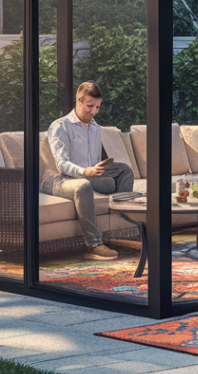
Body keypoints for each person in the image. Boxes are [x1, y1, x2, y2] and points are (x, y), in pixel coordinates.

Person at [45, 81, 135, 261]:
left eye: (97, 107)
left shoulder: (95, 128)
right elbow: (62, 164)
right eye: (89, 106)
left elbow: (93, 162)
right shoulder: (60, 126)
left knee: (124, 171)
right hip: (59, 179)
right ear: (78, 101)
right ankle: (94, 243)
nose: (93, 112)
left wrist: (97, 169)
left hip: (88, 174)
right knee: (83, 186)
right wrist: (86, 172)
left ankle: (122, 225)